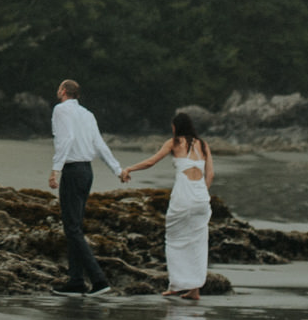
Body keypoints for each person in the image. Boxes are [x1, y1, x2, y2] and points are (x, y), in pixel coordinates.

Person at [120, 111, 213, 299]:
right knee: (198, 242)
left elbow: (151, 161)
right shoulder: (203, 145)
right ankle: (195, 290)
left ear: (176, 127)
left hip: (183, 196)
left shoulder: (174, 143)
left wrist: (129, 168)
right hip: (201, 198)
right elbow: (210, 174)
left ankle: (176, 284)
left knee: (174, 240)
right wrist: (202, 192)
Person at [48, 78, 122, 296]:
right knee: (75, 228)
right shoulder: (88, 114)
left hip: (72, 171)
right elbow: (99, 144)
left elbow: (67, 138)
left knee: (71, 228)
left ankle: (99, 280)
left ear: (63, 91)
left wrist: (56, 169)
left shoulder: (60, 110)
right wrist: (117, 170)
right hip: (86, 172)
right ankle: (76, 281)